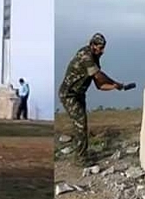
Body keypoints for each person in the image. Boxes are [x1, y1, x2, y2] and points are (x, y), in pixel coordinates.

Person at [58, 32, 136, 166]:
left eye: (103, 47)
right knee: (80, 123)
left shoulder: (95, 58)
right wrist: (116, 82)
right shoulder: (85, 55)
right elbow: (98, 76)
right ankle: (80, 160)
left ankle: (81, 154)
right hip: (69, 95)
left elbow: (99, 85)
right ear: (92, 45)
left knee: (81, 125)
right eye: (100, 47)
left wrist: (114, 87)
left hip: (79, 94)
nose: (103, 51)